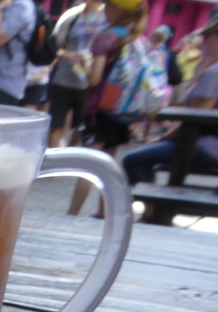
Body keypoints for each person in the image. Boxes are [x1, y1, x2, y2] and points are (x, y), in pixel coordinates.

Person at [122, 15, 218, 212]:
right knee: (144, 158)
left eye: (206, 35)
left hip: (203, 145)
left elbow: (196, 119)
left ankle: (153, 211)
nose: (203, 41)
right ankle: (154, 210)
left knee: (133, 160)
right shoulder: (209, 68)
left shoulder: (213, 73)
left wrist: (161, 138)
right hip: (205, 143)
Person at [67, 0, 150, 216]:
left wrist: (85, 65)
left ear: (117, 9)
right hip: (120, 110)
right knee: (109, 165)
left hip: (99, 110)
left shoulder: (106, 37)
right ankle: (103, 212)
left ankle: (72, 212)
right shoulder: (133, 37)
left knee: (88, 165)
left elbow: (94, 79)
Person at [47, 0, 107, 147]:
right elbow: (55, 47)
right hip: (64, 80)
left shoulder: (108, 18)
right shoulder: (71, 16)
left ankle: (72, 158)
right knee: (57, 125)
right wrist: (67, 55)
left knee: (80, 129)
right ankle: (56, 161)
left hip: (91, 83)